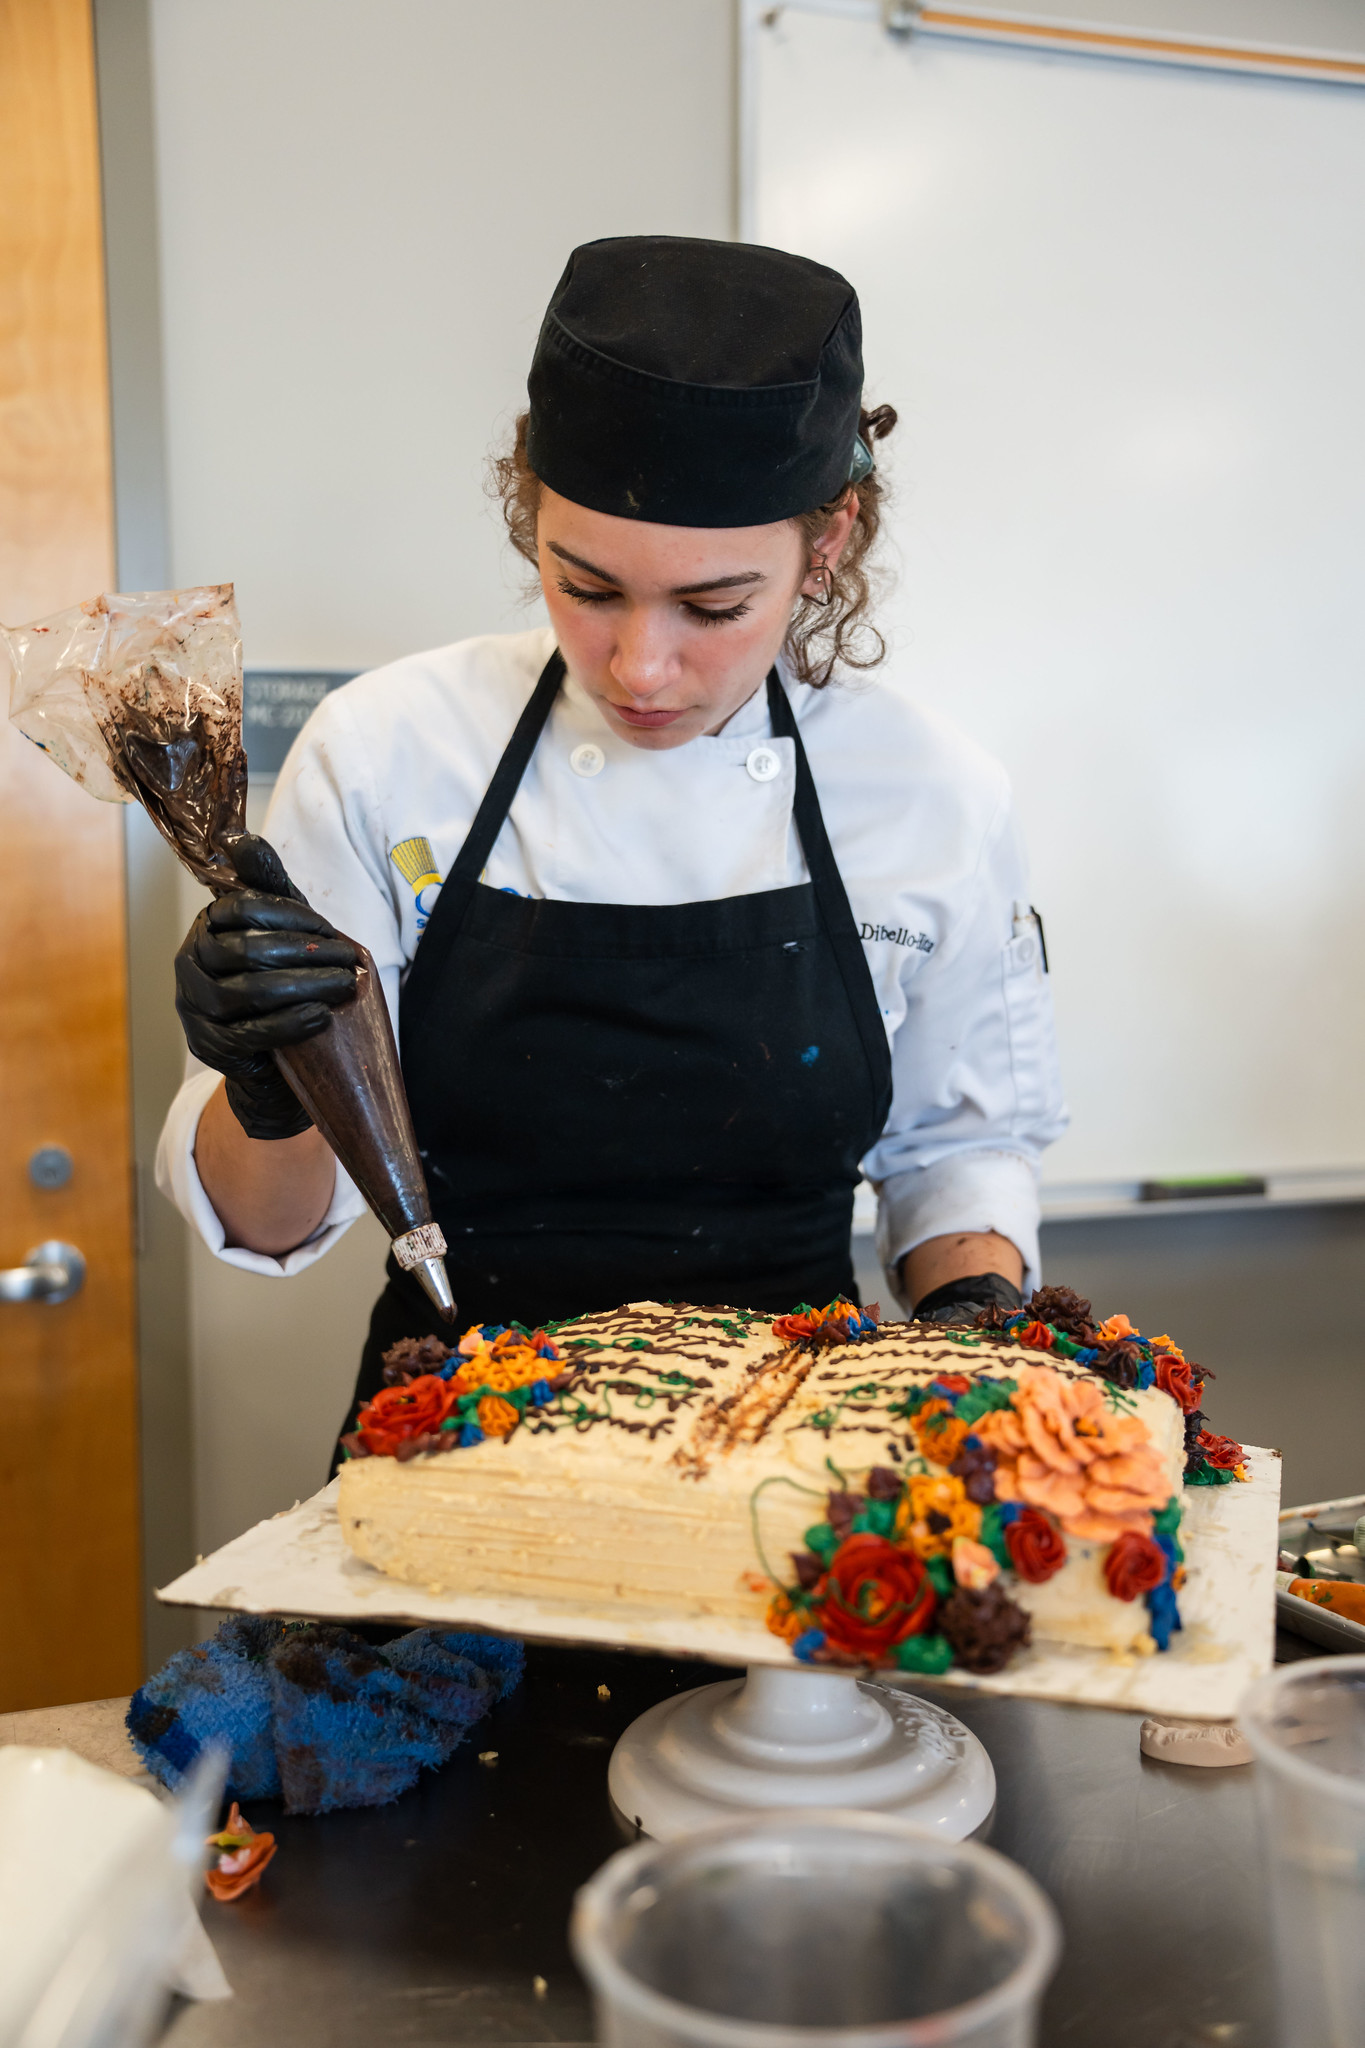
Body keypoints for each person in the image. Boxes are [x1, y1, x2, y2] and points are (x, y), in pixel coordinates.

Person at [157, 235, 1067, 1457]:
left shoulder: (929, 793)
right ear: (529, 509)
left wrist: (975, 1325)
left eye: (714, 606)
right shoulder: (388, 751)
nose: (642, 666)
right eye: (584, 586)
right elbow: (274, 1229)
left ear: (829, 540)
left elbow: (956, 1150)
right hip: (454, 1444)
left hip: (793, 1464)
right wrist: (267, 1090)